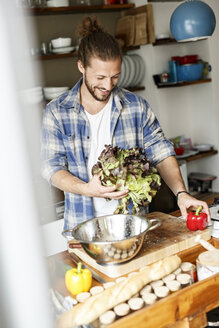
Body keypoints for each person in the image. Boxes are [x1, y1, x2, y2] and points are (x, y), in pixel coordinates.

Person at [41, 16, 210, 230]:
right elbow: (51, 168)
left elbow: (161, 151)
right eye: (100, 77)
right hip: (83, 228)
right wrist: (87, 189)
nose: (108, 85)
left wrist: (182, 194)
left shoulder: (136, 106)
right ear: (81, 66)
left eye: (115, 77)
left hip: (134, 227)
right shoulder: (57, 111)